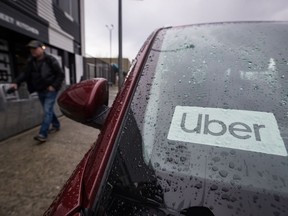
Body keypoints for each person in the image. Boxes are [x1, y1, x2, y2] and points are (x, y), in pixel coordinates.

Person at [10, 40, 65, 142]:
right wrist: (16, 82)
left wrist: (53, 85)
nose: (32, 51)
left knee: (47, 111)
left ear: (41, 48)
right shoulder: (31, 62)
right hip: (40, 90)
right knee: (48, 110)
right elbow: (24, 74)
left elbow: (60, 74)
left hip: (51, 90)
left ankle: (42, 134)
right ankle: (56, 124)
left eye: (34, 48)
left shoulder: (50, 59)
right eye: (31, 49)